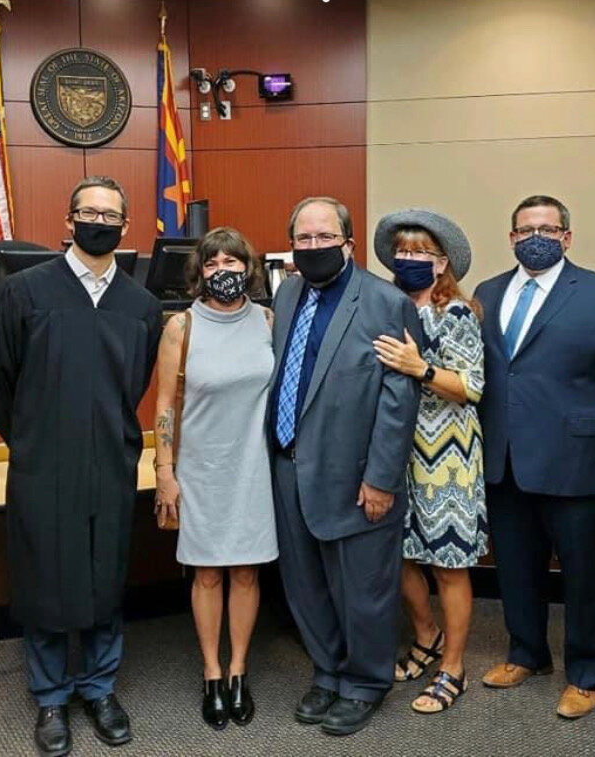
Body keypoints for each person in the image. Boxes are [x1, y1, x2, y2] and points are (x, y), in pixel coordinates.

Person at [0, 176, 162, 755]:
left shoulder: (142, 305)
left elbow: (134, 385)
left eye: (110, 214)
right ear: (68, 221)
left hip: (110, 458)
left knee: (106, 574)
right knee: (45, 578)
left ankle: (100, 688)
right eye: (88, 211)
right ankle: (52, 697)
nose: (98, 221)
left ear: (125, 227)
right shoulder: (23, 293)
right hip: (42, 463)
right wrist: (34, 440)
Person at [474, 195, 595, 719]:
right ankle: (526, 654)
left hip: (580, 465)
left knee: (584, 577)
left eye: (549, 229)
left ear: (567, 238)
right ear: (510, 238)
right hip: (505, 462)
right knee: (516, 570)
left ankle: (586, 673)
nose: (537, 236)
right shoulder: (487, 292)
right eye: (526, 229)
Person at [269, 196, 421, 736]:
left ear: (349, 244)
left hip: (358, 476)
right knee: (305, 584)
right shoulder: (287, 294)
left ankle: (364, 682)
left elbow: (399, 401)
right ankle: (329, 671)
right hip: (288, 467)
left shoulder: (385, 303)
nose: (313, 247)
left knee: (363, 589)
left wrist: (381, 478)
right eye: (303, 238)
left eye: (324, 237)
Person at [153, 227, 278, 731]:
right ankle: (211, 673)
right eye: (212, 264)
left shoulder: (268, 320)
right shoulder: (181, 328)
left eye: (232, 262)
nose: (223, 272)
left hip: (253, 467)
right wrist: (164, 471)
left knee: (246, 571)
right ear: (198, 273)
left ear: (249, 268)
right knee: (207, 573)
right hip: (201, 469)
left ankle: (238, 671)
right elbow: (162, 404)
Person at [372, 209, 487, 713]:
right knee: (395, 555)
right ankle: (426, 636)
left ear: (442, 265)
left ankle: (453, 666)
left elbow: (471, 387)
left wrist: (421, 368)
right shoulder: (385, 306)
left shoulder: (458, 314)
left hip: (448, 458)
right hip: (391, 452)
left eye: (422, 253)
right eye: (404, 251)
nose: (411, 259)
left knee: (448, 567)